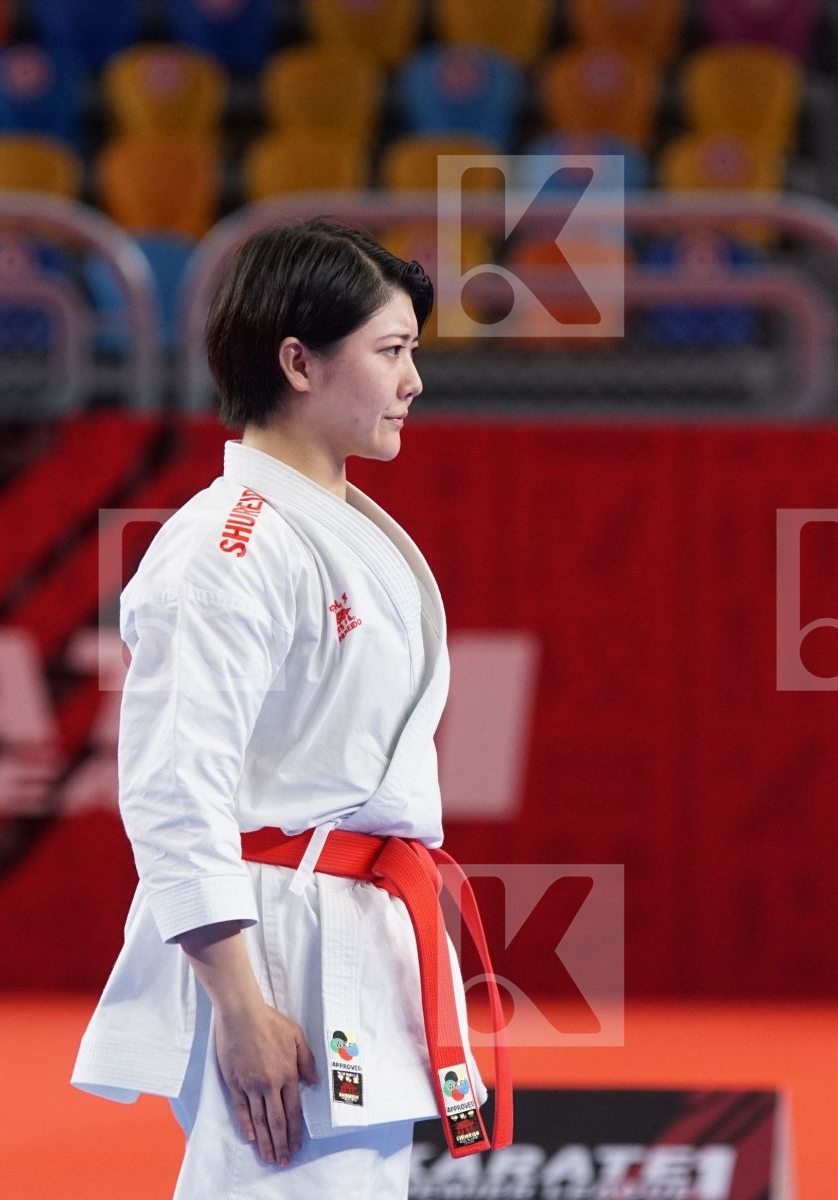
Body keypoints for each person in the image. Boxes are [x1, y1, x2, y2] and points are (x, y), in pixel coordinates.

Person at [70, 217, 510, 1199]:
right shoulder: (227, 549)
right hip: (274, 941)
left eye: (414, 354)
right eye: (392, 352)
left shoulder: (333, 527)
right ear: (299, 362)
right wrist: (237, 1001)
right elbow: (171, 786)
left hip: (349, 922)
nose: (413, 382)